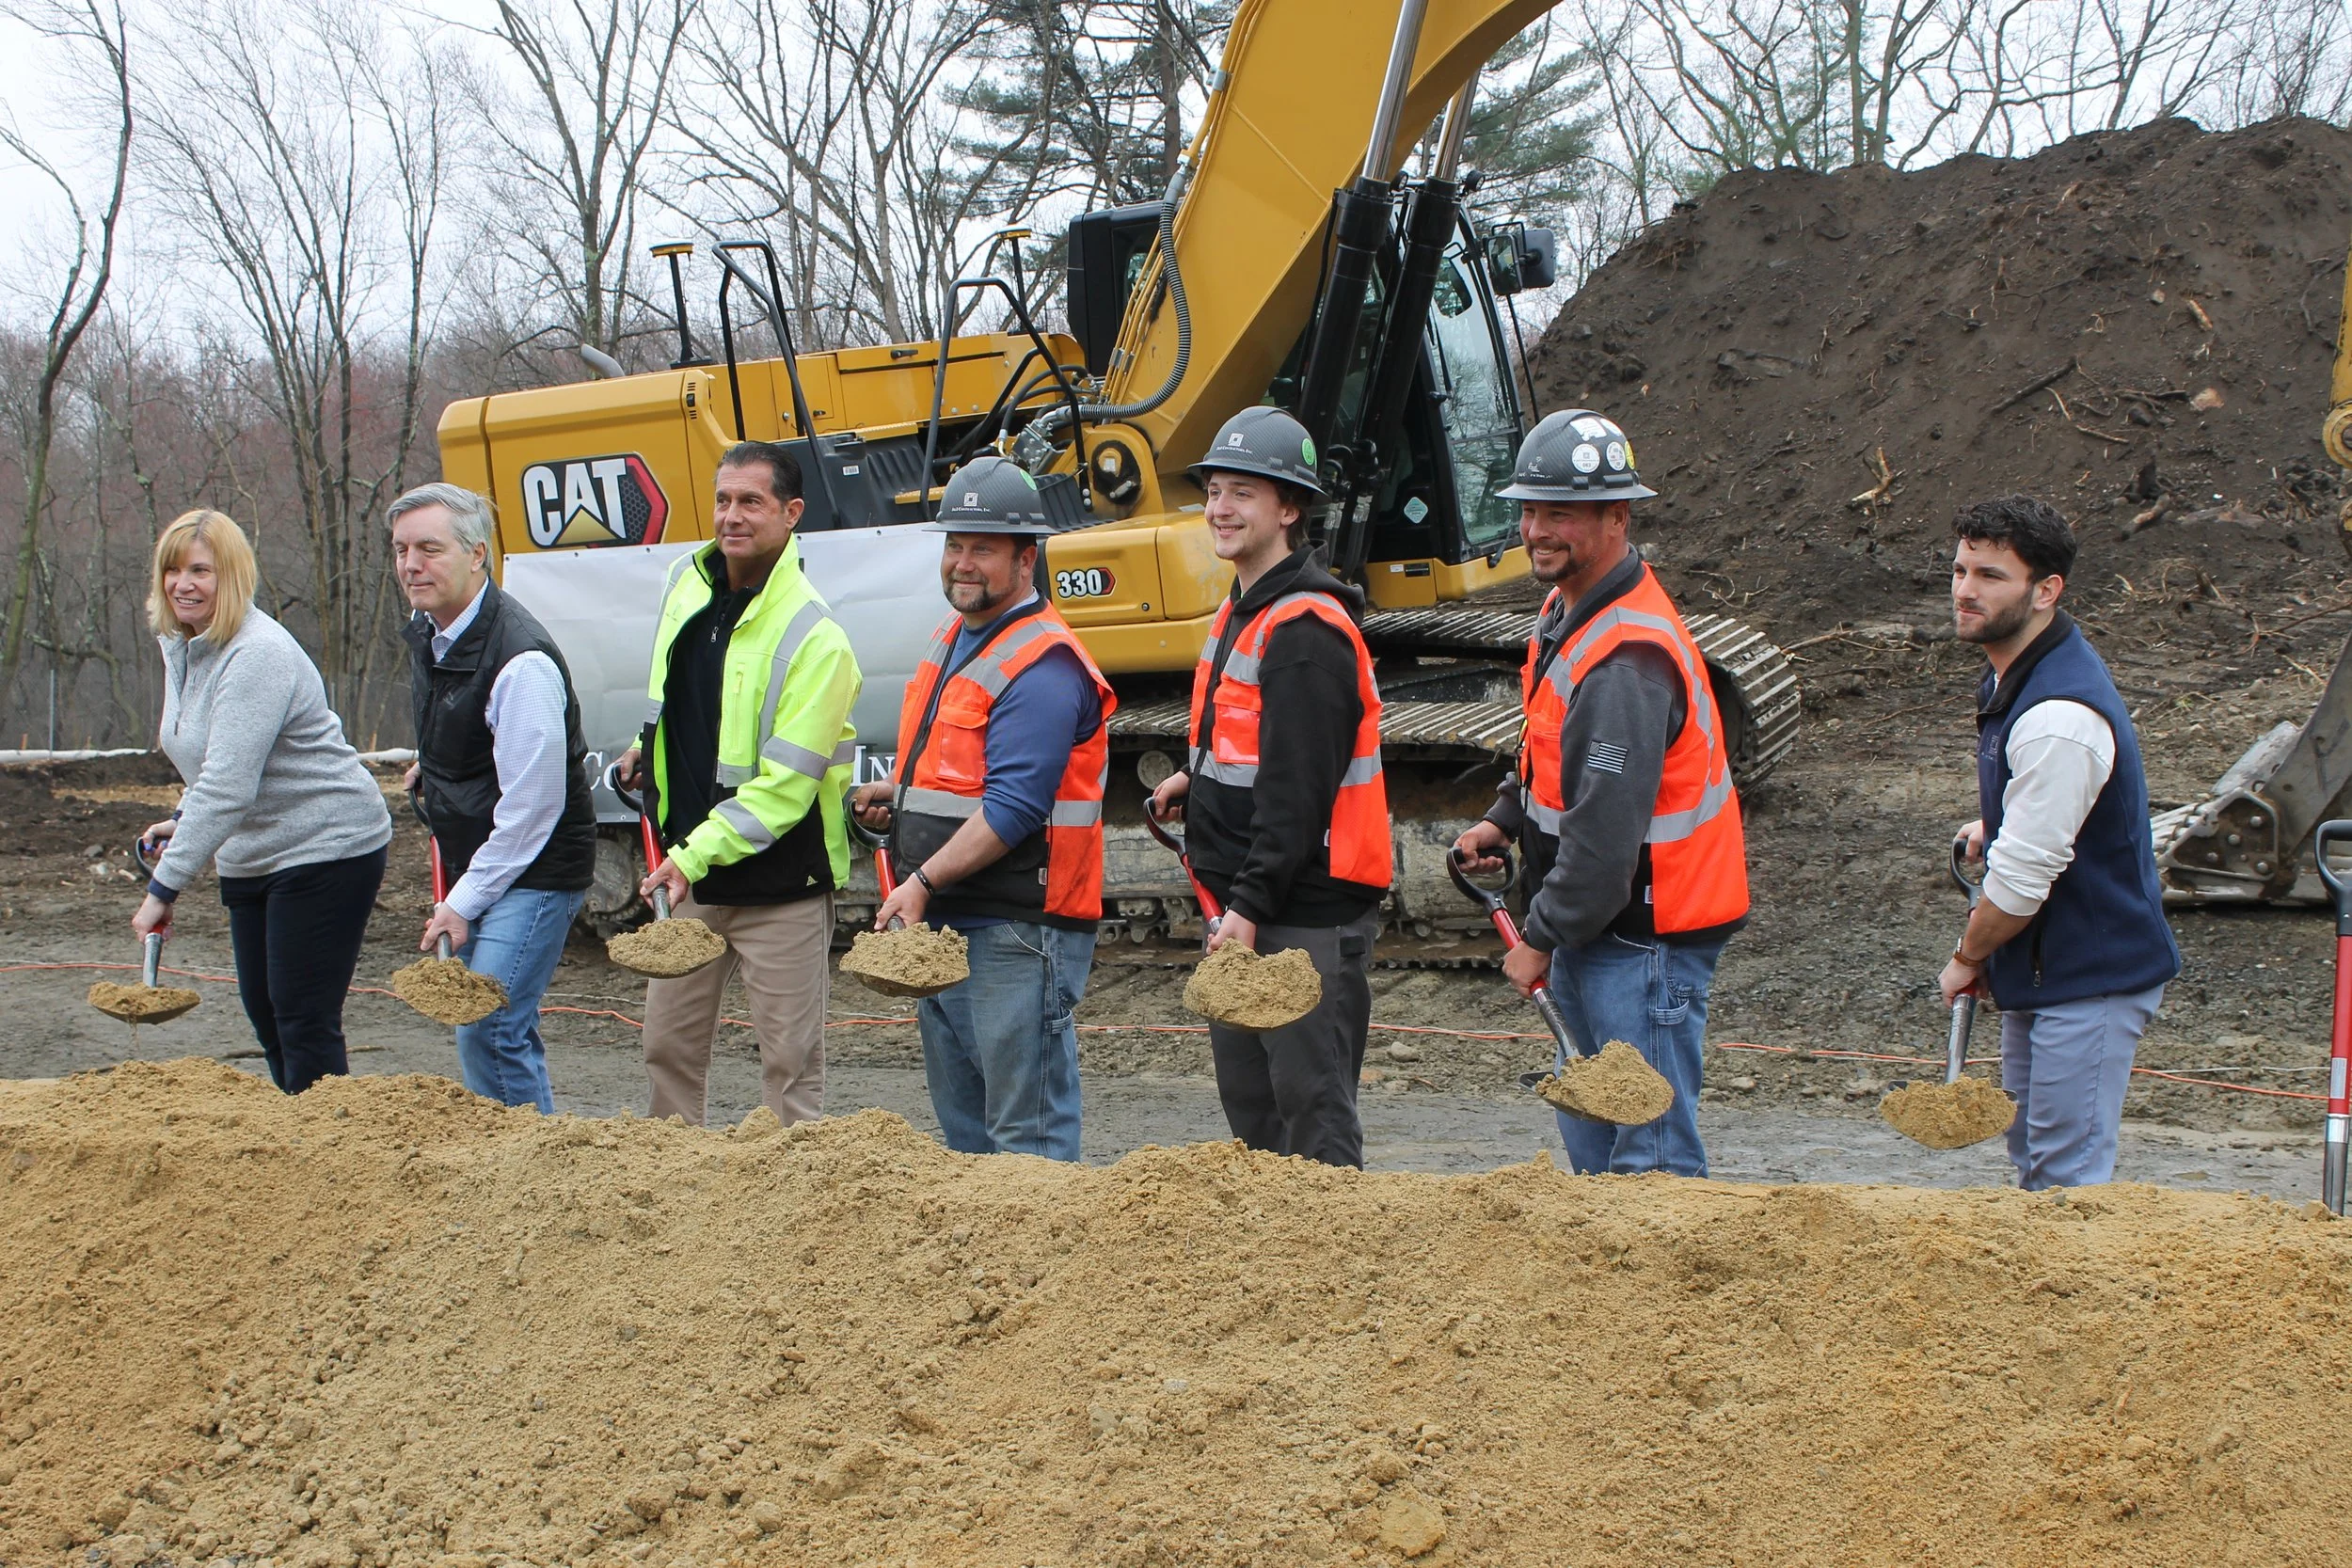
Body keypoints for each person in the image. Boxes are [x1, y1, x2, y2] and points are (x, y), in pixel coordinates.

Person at [1453, 409, 1748, 1178]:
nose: (1535, 529)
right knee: (1597, 1138)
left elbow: (1605, 834)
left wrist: (1538, 939)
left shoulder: (1627, 657)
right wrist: (1506, 817)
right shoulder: (1568, 612)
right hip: (1604, 926)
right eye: (1529, 509)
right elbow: (1554, 754)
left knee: (1646, 1156)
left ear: (1616, 517)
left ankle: (1659, 1299)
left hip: (1642, 934)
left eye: (1559, 513)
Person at [1146, 407, 1392, 1169]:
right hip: (1249, 908)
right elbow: (1252, 744)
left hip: (1300, 916)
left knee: (1310, 1117)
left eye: (1242, 493)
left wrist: (1246, 913)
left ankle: (1332, 1275)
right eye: (1215, 490)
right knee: (1255, 1119)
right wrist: (1198, 777)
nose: (1220, 507)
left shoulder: (1306, 633)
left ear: (1289, 508)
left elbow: (1296, 797)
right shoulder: (1244, 610)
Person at [849, 456, 1115, 1160]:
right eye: (955, 545)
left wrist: (921, 880)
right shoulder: (958, 634)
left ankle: (1045, 1269)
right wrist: (898, 801)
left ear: (1025, 559)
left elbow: (1016, 809)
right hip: (954, 923)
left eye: (983, 549)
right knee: (967, 1141)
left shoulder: (1043, 664)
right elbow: (961, 778)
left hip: (1015, 930)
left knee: (1025, 1138)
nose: (962, 564)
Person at [612, 441, 862, 1127]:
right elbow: (684, 698)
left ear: (791, 512)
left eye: (751, 501)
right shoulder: (686, 584)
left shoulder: (817, 637)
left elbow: (784, 789)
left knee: (790, 1063)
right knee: (667, 1047)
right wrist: (646, 748)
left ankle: (789, 1208)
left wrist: (685, 859)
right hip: (695, 875)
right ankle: (677, 1186)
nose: (732, 516)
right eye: (724, 499)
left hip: (780, 885)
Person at [1939, 495, 2180, 1189]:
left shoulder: (2057, 713)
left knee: (2064, 1173)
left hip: (2090, 975)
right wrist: (2004, 822)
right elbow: (2055, 802)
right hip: (2048, 965)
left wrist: (1966, 956)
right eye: (1959, 571)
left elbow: (2018, 883)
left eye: (1990, 576)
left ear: (2046, 590)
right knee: (2033, 1154)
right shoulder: (2015, 672)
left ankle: (2078, 1297)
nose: (1965, 591)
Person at [132, 510, 393, 1093]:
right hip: (253, 850)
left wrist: (162, 890)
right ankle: (297, 1135)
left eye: (201, 569)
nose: (184, 584)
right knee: (266, 1013)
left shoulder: (257, 654)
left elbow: (228, 786)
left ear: (232, 577)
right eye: (173, 570)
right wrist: (183, 819)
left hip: (326, 843)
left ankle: (328, 1153)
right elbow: (214, 763)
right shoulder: (182, 645)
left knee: (302, 1015)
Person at [392, 482, 599, 1112]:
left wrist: (461, 901)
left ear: (478, 554)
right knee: (484, 1024)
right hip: (489, 855)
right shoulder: (433, 630)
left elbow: (533, 810)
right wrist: (435, 766)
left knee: (489, 1020)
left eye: (429, 548)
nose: (410, 565)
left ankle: (531, 1176)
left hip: (535, 867)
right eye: (401, 550)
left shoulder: (520, 660)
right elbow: (468, 722)